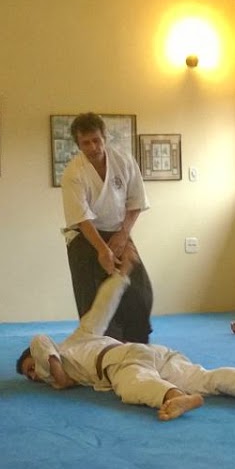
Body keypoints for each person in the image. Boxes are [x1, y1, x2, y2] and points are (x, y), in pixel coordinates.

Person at [17, 249, 235, 421]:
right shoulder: (85, 335)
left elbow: (41, 340)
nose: (34, 375)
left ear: (38, 355)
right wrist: (122, 275)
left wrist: (58, 375)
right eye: (30, 376)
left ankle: (175, 396)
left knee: (133, 386)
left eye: (31, 367)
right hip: (154, 353)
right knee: (201, 377)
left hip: (121, 361)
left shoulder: (69, 344)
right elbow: (103, 305)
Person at [60, 112, 153, 343]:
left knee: (139, 291)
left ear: (105, 137)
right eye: (86, 143)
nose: (93, 147)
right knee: (94, 299)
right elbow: (82, 218)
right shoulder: (73, 173)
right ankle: (100, 350)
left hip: (119, 230)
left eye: (96, 140)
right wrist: (103, 250)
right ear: (78, 144)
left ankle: (136, 345)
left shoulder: (124, 161)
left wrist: (123, 236)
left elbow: (135, 203)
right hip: (85, 236)